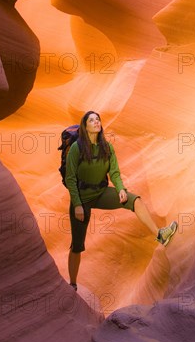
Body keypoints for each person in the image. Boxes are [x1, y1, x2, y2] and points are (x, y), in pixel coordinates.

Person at [65, 110, 178, 290]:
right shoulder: (77, 148)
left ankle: (160, 235)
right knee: (77, 246)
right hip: (82, 199)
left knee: (136, 201)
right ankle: (72, 284)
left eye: (98, 119)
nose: (96, 122)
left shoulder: (106, 147)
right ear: (85, 126)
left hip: (101, 193)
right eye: (91, 120)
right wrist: (77, 204)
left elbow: (115, 173)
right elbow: (70, 178)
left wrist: (120, 190)